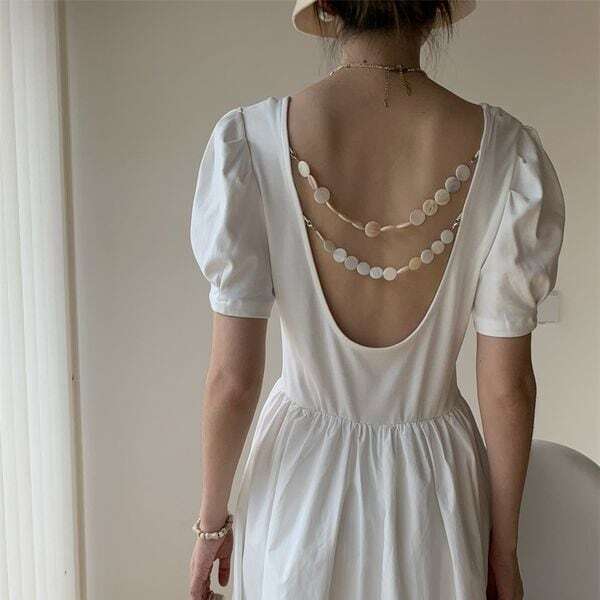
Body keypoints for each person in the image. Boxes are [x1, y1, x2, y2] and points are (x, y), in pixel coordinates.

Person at [187, 1, 566, 599]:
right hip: (434, 483)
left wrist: (211, 525)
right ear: (436, 11)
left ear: (328, 8)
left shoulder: (249, 143)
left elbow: (232, 382)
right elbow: (507, 388)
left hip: (299, 480)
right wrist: (503, 550)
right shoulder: (507, 155)